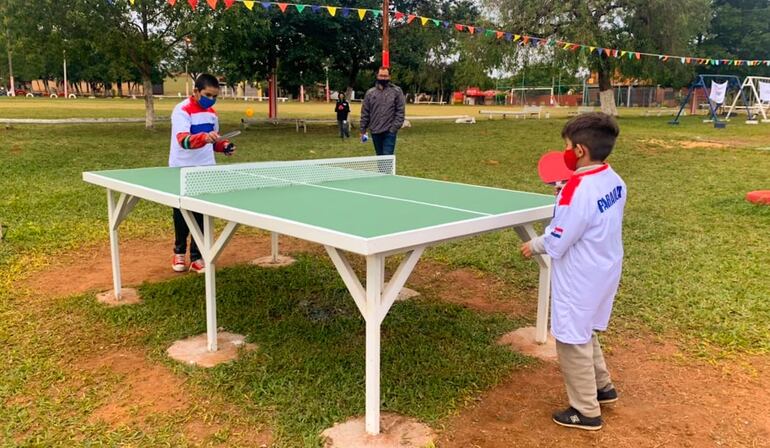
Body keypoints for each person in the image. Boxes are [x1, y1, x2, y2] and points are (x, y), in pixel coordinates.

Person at [520, 112, 626, 431]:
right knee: (586, 330)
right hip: (605, 270)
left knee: (570, 339)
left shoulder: (575, 189)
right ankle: (603, 388)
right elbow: (589, 216)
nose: (565, 151)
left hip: (580, 277)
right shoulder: (613, 179)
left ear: (579, 150)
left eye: (567, 145)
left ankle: (585, 410)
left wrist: (532, 245)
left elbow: (559, 237)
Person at [169, 73, 236, 273]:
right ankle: (179, 252)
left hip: (206, 168)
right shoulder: (182, 110)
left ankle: (198, 256)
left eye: (215, 96)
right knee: (181, 213)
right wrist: (205, 138)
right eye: (208, 95)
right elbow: (184, 140)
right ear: (196, 91)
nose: (211, 99)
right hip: (182, 168)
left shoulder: (212, 114)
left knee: (202, 213)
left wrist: (224, 146)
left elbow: (214, 141)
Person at [359, 67, 405, 155]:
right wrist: (363, 130)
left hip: (389, 132)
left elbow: (400, 111)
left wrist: (393, 128)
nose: (383, 78)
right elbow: (365, 113)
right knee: (380, 158)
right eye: (381, 75)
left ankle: (387, 169)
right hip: (375, 131)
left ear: (389, 77)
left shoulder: (396, 91)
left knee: (387, 158)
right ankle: (381, 169)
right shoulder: (370, 93)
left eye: (385, 76)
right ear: (377, 76)